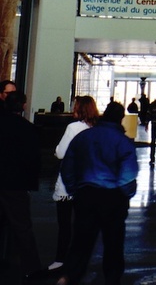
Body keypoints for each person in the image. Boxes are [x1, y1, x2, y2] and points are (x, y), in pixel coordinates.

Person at [57, 101, 138, 285]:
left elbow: (67, 165)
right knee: (113, 244)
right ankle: (111, 279)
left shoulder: (84, 137)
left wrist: (74, 189)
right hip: (113, 197)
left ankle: (69, 276)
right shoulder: (123, 142)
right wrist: (125, 194)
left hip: (86, 195)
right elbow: (128, 173)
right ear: (121, 118)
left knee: (81, 242)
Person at [48, 95, 99, 273]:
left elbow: (61, 152)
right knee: (83, 223)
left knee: (64, 224)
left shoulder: (73, 127)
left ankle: (61, 259)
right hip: (88, 183)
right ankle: (80, 259)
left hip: (68, 183)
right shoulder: (96, 129)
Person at [0, 90, 43, 280]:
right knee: (22, 227)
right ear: (24, 106)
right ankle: (31, 268)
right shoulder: (28, 129)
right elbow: (33, 160)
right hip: (15, 184)